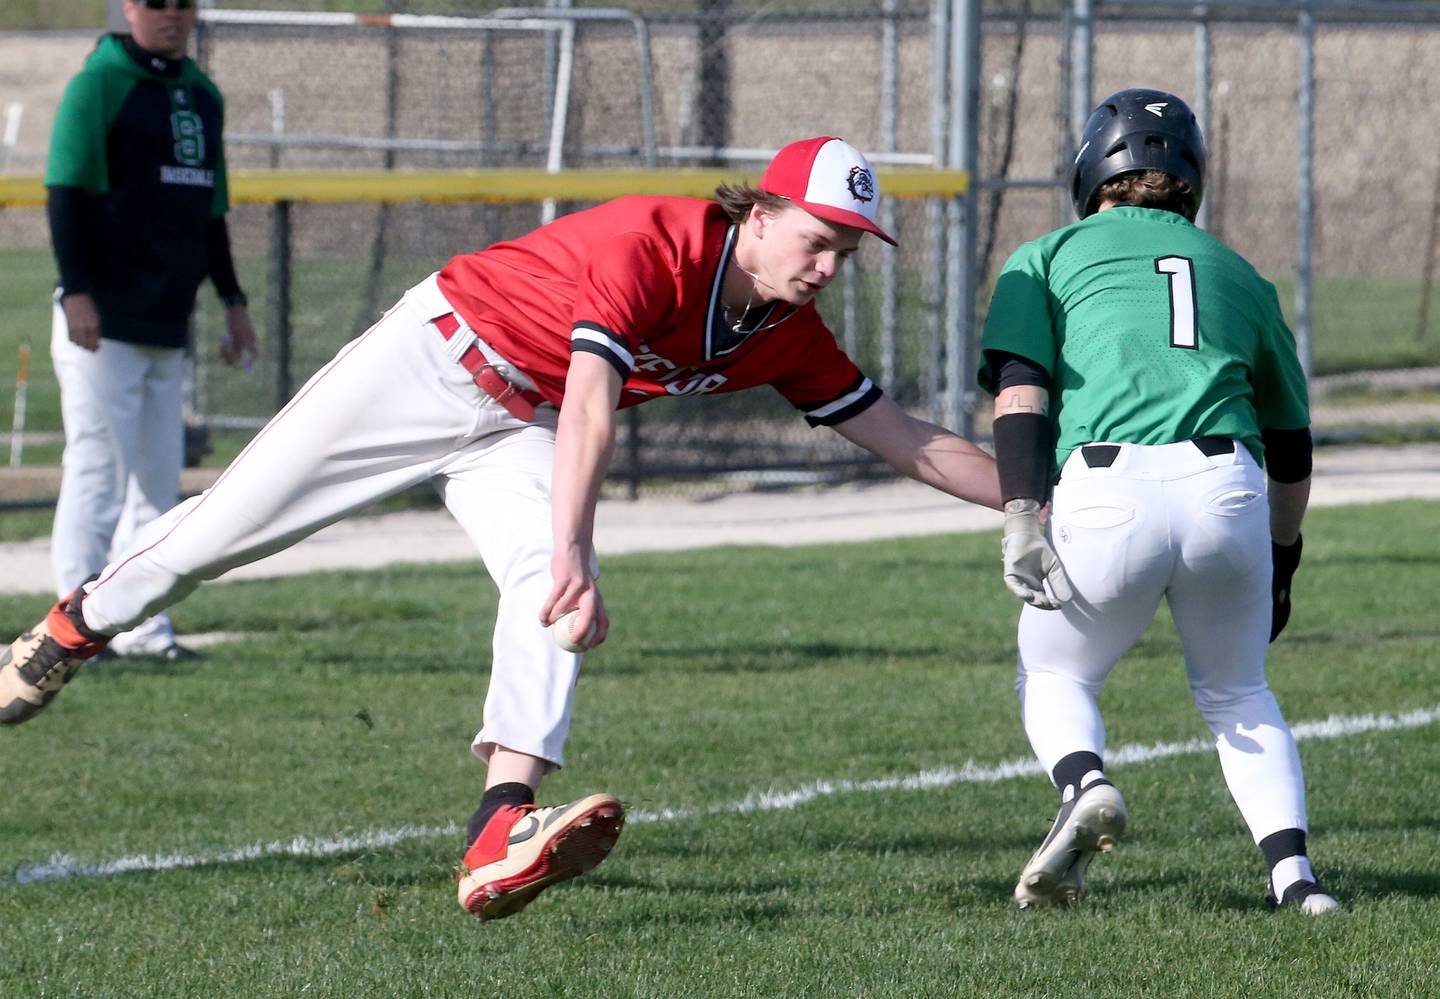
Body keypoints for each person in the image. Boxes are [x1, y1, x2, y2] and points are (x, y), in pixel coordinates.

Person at [1, 136, 1003, 920]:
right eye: (817, 237)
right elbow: (592, 404)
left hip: (514, 426)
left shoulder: (789, 330)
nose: (830, 263)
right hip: (434, 359)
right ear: (759, 211)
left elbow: (904, 437)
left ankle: (499, 830)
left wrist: (1034, 500)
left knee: (551, 602)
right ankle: (70, 629)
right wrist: (574, 541)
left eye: (848, 248)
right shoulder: (655, 242)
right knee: (225, 534)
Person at [978, 88, 1337, 915]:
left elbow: (1022, 395)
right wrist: (1282, 560)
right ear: (1190, 177)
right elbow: (1291, 446)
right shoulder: (1238, 273)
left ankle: (1085, 784)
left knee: (1054, 670)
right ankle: (1297, 881)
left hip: (1107, 488)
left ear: (1092, 168)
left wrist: (1023, 513)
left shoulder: (1045, 256)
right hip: (1229, 487)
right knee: (1240, 690)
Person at [45, 0, 257, 659]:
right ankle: (74, 630)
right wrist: (76, 291)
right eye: (156, 2)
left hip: (167, 320)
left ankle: (142, 630)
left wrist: (232, 299)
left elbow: (210, 212)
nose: (172, 14)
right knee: (98, 474)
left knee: (157, 488)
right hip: (101, 322)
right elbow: (64, 191)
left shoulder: (201, 94)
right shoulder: (98, 84)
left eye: (184, 4)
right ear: (130, 8)